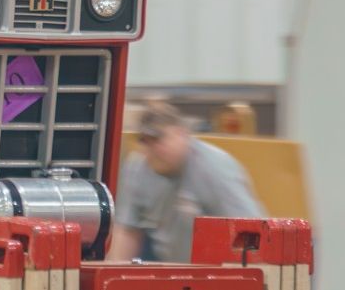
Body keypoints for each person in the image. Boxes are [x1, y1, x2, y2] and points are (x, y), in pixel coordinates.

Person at [108, 101, 268, 263]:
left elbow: (253, 232)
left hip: (215, 268)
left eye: (158, 140)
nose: (152, 149)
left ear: (181, 134)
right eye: (146, 141)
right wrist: (116, 270)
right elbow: (127, 231)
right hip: (169, 265)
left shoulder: (215, 169)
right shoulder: (137, 169)